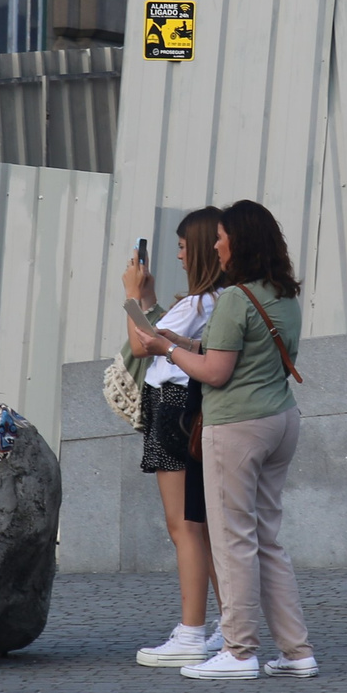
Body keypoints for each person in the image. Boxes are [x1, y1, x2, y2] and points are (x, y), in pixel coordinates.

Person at [142, 198, 316, 681]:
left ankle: (239, 651)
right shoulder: (282, 295)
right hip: (281, 419)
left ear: (239, 242)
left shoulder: (236, 298)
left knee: (231, 540)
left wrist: (167, 350)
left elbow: (216, 372)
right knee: (267, 540)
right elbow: (236, 349)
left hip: (237, 426)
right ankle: (297, 650)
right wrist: (184, 345)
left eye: (221, 238)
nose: (216, 246)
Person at [122, 209, 225, 668]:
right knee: (201, 526)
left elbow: (143, 344)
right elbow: (161, 332)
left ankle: (191, 631)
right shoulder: (216, 300)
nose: (179, 256)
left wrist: (130, 297)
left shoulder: (202, 302)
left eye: (183, 247)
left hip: (174, 407)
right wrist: (148, 301)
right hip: (189, 407)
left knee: (184, 526)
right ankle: (227, 624)